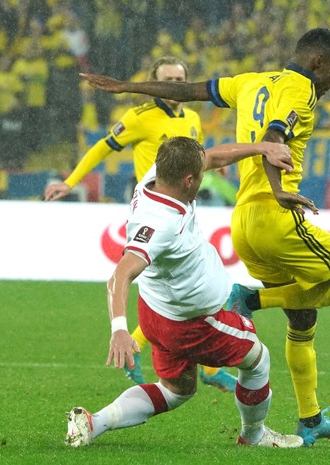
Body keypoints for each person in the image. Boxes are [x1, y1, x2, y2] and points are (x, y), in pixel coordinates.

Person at [81, 28, 330, 447]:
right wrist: (278, 188)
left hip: (243, 223)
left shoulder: (245, 83)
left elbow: (186, 93)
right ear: (318, 64)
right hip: (276, 220)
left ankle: (309, 418)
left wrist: (126, 86)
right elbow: (275, 138)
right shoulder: (303, 90)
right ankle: (252, 314)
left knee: (301, 316)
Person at [65, 136, 302, 448]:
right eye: (200, 177)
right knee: (258, 359)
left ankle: (95, 422)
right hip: (192, 324)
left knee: (177, 390)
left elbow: (214, 158)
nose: (205, 176)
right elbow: (120, 274)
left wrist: (261, 148)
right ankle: (254, 435)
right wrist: (119, 330)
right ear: (189, 180)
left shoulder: (158, 174)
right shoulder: (160, 223)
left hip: (156, 313)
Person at [46, 56, 238, 392]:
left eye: (181, 79)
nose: (176, 85)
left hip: (185, 211)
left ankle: (191, 363)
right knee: (171, 294)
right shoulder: (138, 118)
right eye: (168, 79)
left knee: (185, 290)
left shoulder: (193, 117)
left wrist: (216, 165)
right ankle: (169, 357)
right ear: (155, 82)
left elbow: (198, 153)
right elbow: (102, 149)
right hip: (154, 217)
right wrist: (71, 181)